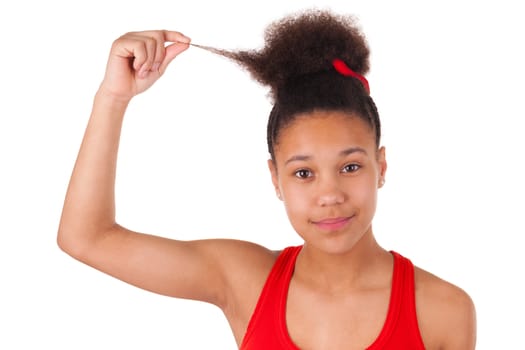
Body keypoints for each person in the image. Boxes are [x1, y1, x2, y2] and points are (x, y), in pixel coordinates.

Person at [57, 9, 476, 349]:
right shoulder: (244, 279)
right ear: (275, 179)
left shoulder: (443, 311)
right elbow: (86, 238)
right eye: (303, 173)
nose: (329, 195)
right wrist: (113, 98)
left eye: (350, 167)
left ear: (381, 167)